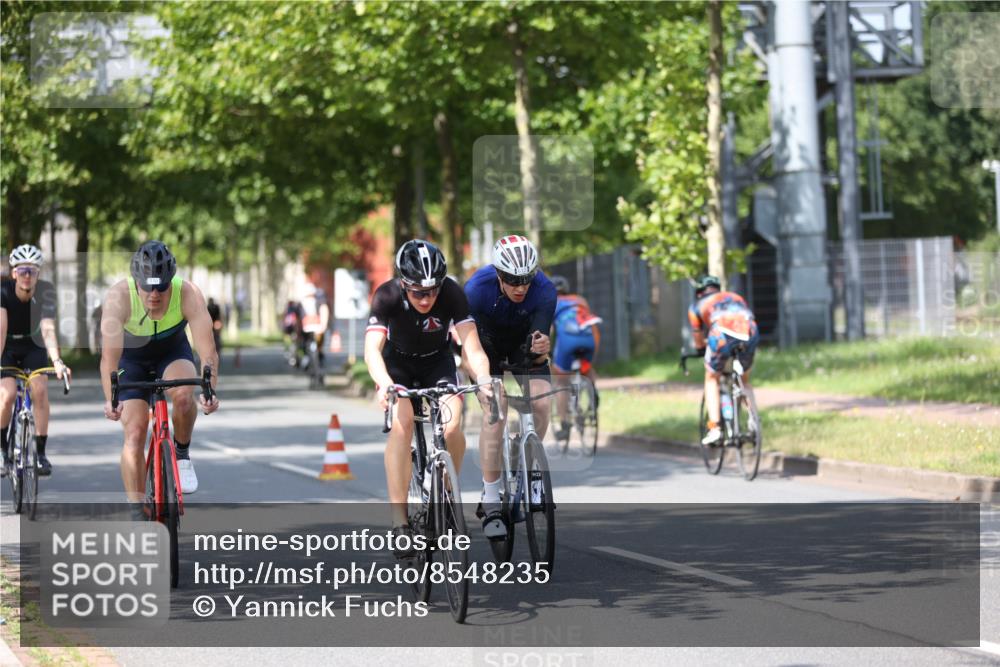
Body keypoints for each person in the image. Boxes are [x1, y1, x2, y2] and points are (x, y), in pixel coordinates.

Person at [364, 240, 493, 557]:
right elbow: (371, 350)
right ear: (404, 284)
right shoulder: (388, 296)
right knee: (402, 424)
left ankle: (446, 498)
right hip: (399, 366)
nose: (427, 298)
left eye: (433, 290)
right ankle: (400, 524)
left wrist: (486, 381)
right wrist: (384, 384)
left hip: (438, 362)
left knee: (453, 424)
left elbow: (472, 349)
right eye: (419, 292)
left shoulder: (452, 293)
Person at [100, 241, 219, 514]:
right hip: (131, 359)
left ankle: (181, 453)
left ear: (171, 281)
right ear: (135, 281)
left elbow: (208, 351)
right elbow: (109, 358)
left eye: (162, 287)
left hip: (171, 352)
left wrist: (210, 391)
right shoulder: (119, 297)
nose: (154, 294)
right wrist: (111, 399)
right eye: (147, 286)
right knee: (135, 431)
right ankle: (135, 508)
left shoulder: (188, 293)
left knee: (184, 397)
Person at [465, 235, 556, 538]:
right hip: (484, 347)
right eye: (513, 280)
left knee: (542, 402)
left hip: (522, 344)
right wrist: (482, 377)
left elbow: (540, 347)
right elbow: (468, 343)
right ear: (499, 275)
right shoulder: (477, 290)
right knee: (496, 409)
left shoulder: (544, 290)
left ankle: (531, 472)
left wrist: (543, 346)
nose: (521, 287)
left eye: (526, 280)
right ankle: (491, 497)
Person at [1, 244, 71, 477]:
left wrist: (57, 361)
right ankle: (2, 452)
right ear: (14, 273)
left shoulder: (45, 291)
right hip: (7, 346)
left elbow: (48, 328)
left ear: (38, 273)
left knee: (39, 389)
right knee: (7, 395)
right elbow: (0, 329)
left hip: (34, 345)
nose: (27, 275)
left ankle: (40, 453)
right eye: (22, 271)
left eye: (32, 271)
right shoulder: (3, 291)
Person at [688, 275, 759, 446]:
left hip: (721, 334)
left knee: (711, 377)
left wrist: (700, 350)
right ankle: (754, 421)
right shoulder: (736, 297)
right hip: (749, 331)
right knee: (744, 380)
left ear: (699, 293)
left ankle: (715, 428)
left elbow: (698, 338)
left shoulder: (696, 306)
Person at [549, 275, 602, 440]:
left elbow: (549, 331)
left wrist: (548, 353)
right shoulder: (579, 300)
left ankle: (564, 425)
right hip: (590, 339)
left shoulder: (550, 303)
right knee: (587, 367)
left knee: (560, 381)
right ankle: (593, 391)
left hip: (568, 342)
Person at [299, 281, 330, 369]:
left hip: (317, 329)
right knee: (307, 345)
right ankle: (309, 358)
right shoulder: (303, 303)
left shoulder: (318, 301)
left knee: (317, 346)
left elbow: (324, 311)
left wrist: (323, 326)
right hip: (308, 330)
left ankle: (317, 358)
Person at [206, 297, 223, 364]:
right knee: (211, 341)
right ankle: (211, 356)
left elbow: (219, 317)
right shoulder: (207, 308)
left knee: (217, 341)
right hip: (210, 326)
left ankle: (217, 355)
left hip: (215, 325)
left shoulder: (216, 307)